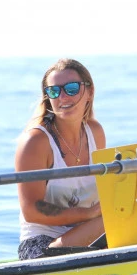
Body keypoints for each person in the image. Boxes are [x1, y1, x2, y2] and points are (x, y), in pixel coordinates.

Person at [15, 58, 106, 260]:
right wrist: (89, 213)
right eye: (54, 91)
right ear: (48, 98)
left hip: (89, 238)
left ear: (89, 92)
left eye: (71, 88)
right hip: (41, 247)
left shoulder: (95, 132)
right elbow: (32, 211)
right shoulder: (35, 141)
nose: (63, 96)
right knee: (114, 218)